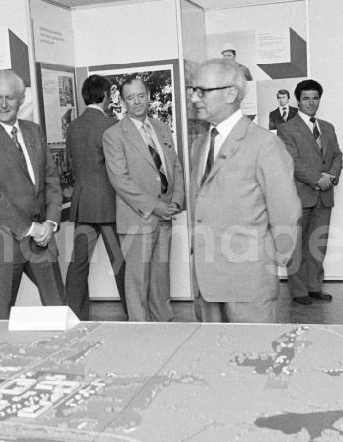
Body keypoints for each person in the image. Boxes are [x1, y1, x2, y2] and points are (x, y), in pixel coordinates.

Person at [189, 59, 300, 323]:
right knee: (211, 358)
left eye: (202, 91)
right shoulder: (199, 145)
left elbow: (285, 210)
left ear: (230, 93)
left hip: (248, 282)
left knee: (253, 357)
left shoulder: (264, 144)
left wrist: (267, 260)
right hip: (206, 281)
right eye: (194, 90)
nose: (194, 98)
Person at [0, 69, 65, 319]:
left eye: (10, 97)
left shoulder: (34, 131)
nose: (3, 104)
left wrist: (50, 222)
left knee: (60, 311)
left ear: (22, 99)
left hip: (42, 240)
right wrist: (31, 228)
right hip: (1, 243)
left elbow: (52, 180)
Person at [102, 77, 183, 322]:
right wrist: (156, 207)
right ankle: (140, 332)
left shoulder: (161, 127)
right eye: (130, 98)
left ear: (148, 95)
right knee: (137, 283)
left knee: (160, 280)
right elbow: (120, 180)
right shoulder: (114, 135)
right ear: (123, 102)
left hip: (165, 218)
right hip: (138, 218)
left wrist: (177, 202)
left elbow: (175, 167)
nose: (136, 102)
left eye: (140, 95)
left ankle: (164, 327)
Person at [277, 79, 343, 305]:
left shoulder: (328, 127)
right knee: (296, 247)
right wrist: (318, 180)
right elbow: (291, 161)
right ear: (298, 101)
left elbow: (337, 156)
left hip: (324, 197)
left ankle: (314, 286)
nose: (311, 102)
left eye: (315, 98)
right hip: (300, 195)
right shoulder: (286, 129)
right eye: (306, 98)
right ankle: (298, 291)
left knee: (318, 244)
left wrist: (331, 177)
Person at [65, 75, 125, 320]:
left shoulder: (72, 127)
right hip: (109, 207)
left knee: (78, 265)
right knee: (121, 264)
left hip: (83, 207)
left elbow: (70, 163)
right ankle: (134, 315)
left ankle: (75, 317)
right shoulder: (112, 125)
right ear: (104, 96)